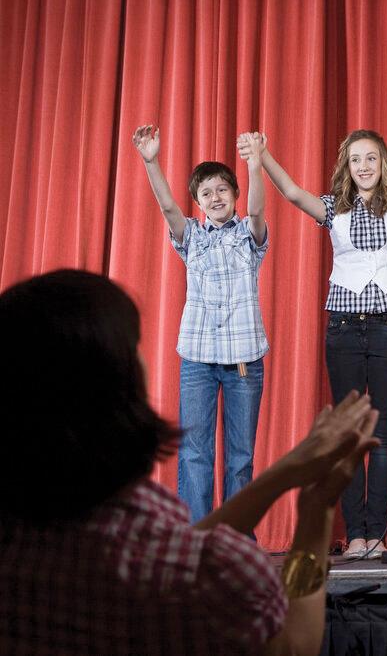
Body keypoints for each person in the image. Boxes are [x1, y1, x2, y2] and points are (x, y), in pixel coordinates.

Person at [0, 269, 379, 655]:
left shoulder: (24, 544)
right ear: (120, 384)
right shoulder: (220, 575)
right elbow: (296, 645)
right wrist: (317, 515)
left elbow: (179, 548)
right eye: (135, 348)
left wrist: (280, 477)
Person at [240, 101, 387, 559]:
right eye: (355, 159)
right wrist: (261, 157)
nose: (363, 166)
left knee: (381, 432)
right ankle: (357, 534)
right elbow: (289, 192)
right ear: (347, 168)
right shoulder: (332, 210)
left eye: (371, 158)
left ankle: (378, 534)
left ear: (383, 164)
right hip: (344, 330)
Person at [132, 125, 270, 523]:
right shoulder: (192, 236)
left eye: (222, 190)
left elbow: (259, 210)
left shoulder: (248, 233)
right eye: (206, 193)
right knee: (195, 452)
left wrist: (255, 164)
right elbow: (167, 208)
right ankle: (197, 538)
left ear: (234, 194)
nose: (215, 197)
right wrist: (151, 161)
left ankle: (236, 537)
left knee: (241, 456)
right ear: (199, 202)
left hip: (244, 360)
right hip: (197, 360)